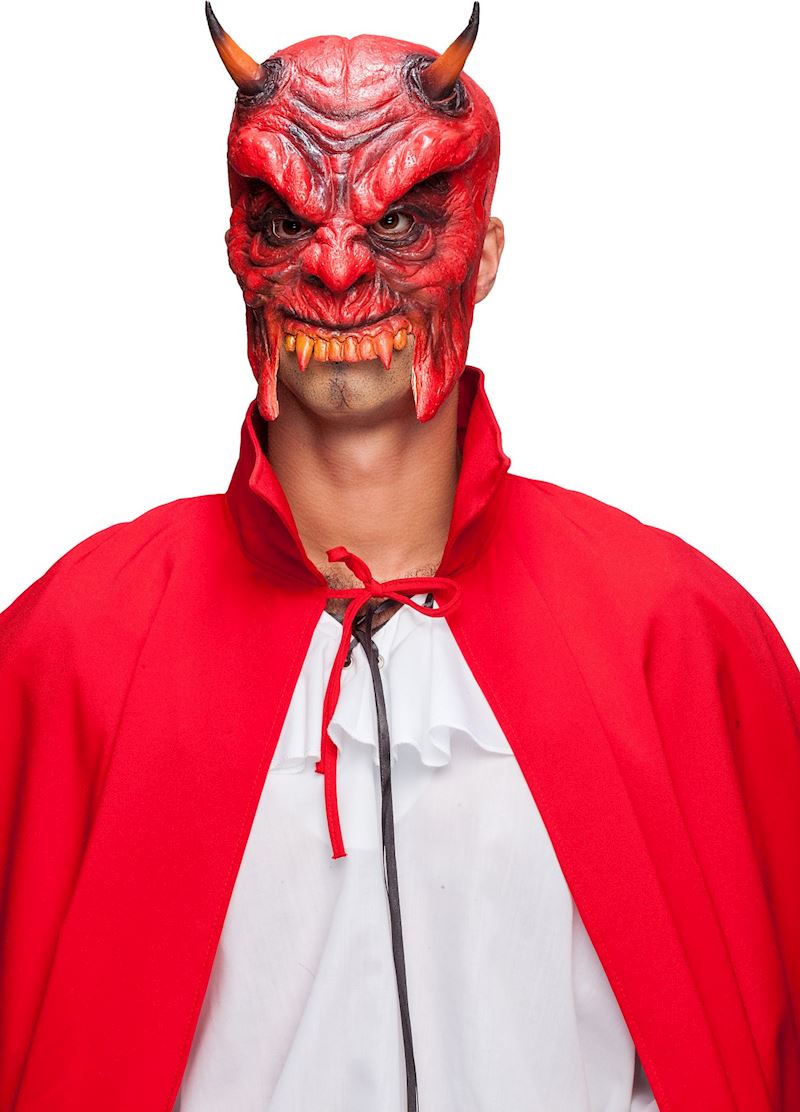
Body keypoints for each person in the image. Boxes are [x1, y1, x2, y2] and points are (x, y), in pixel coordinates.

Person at [1, 5, 798, 1111]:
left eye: (402, 222)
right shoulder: (67, 652)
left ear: (490, 254)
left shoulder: (677, 635)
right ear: (232, 250)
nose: (336, 269)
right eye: (286, 222)